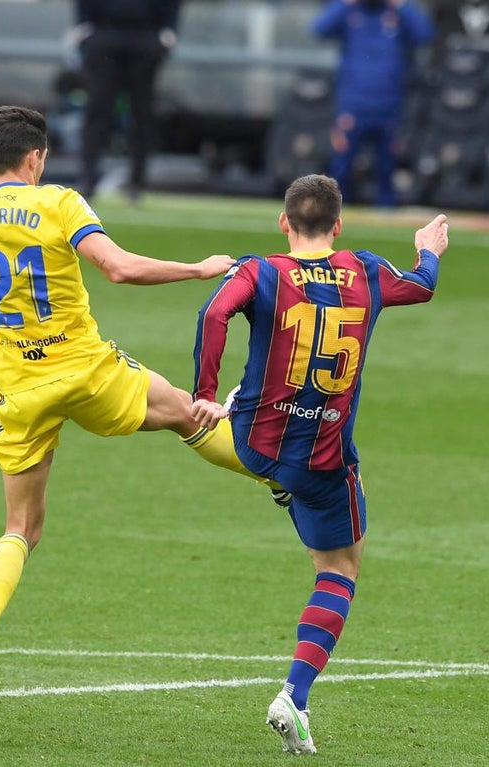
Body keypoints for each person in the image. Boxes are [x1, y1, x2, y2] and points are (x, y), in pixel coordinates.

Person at [0, 105, 269, 705]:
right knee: (186, 411)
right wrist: (200, 269)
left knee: (20, 528)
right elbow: (119, 269)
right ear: (36, 158)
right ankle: (281, 475)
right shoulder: (60, 203)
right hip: (87, 372)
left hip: (19, 392)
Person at [190, 174, 449, 754]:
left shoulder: (260, 270)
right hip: (325, 458)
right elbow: (422, 287)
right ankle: (295, 697)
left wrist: (204, 391)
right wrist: (428, 252)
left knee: (241, 409)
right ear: (338, 225)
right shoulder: (368, 269)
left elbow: (213, 316)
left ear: (284, 223)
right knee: (339, 568)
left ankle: (239, 433)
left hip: (253, 441)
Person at [312, 0, 435, 208]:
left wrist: (401, 5)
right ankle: (334, 216)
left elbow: (425, 35)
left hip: (390, 106)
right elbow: (319, 29)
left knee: (387, 169)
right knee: (341, 169)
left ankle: (386, 214)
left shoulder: (396, 13)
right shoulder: (350, 12)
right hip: (353, 106)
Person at [75, 0, 181, 202]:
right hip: (105, 35)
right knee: (98, 110)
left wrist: (168, 29)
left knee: (142, 114)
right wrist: (85, 25)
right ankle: (88, 178)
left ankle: (137, 183)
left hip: (145, 37)